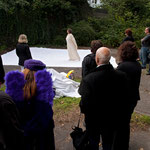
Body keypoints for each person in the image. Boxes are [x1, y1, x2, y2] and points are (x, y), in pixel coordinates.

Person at [78, 47, 130, 150]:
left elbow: (84, 102)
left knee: (93, 142)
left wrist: (84, 110)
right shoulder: (121, 76)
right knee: (108, 143)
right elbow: (125, 98)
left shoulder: (89, 79)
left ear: (97, 59)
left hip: (93, 119)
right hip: (112, 118)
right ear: (109, 59)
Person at [5, 59, 55, 150]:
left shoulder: (14, 89)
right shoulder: (44, 92)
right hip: (42, 138)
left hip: (21, 137)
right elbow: (46, 118)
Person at [115, 41, 141, 149]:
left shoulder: (122, 67)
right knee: (125, 123)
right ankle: (124, 144)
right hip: (132, 98)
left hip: (122, 100)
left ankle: (119, 145)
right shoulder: (137, 65)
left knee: (120, 125)